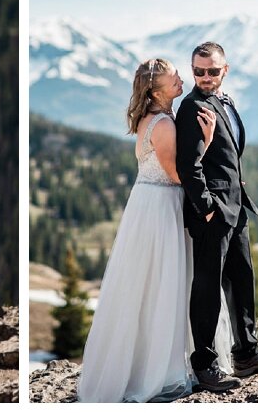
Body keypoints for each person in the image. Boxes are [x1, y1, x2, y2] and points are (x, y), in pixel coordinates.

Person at [77, 58, 221, 402]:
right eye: (175, 79)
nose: (182, 81)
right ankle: (160, 371)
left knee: (144, 286)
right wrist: (207, 141)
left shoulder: (148, 119)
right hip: (162, 207)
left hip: (144, 204)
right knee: (165, 285)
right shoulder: (164, 125)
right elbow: (176, 174)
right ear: (157, 90)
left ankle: (140, 364)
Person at [175, 42, 258, 392]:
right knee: (208, 285)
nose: (205, 77)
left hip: (235, 206)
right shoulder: (192, 107)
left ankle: (246, 352)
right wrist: (207, 208)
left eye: (212, 71)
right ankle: (205, 365)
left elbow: (227, 152)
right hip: (212, 212)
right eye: (198, 71)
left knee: (242, 277)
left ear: (226, 70)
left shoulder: (225, 100)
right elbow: (187, 166)